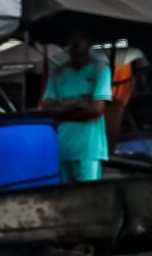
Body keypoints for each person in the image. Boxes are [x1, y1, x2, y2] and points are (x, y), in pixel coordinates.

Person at [40, 28, 113, 183]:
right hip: (63, 149)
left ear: (89, 42)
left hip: (88, 150)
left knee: (86, 200)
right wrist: (78, 105)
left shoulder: (100, 70)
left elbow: (96, 109)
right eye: (72, 37)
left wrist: (61, 112)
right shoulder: (58, 73)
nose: (76, 42)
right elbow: (45, 109)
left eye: (81, 37)